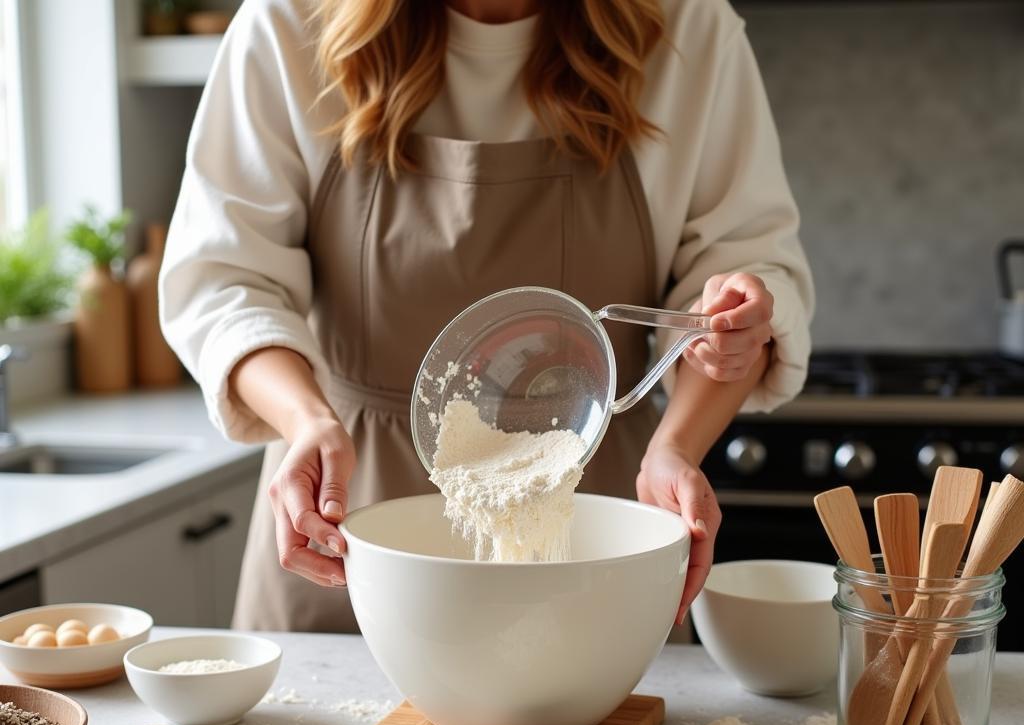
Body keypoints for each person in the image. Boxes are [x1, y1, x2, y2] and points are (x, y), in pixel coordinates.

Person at [161, 0, 813, 633]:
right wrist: (307, 421)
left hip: (596, 529)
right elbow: (225, 281)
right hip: (346, 522)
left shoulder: (689, 31)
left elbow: (738, 273)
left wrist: (679, 439)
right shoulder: (287, 25)